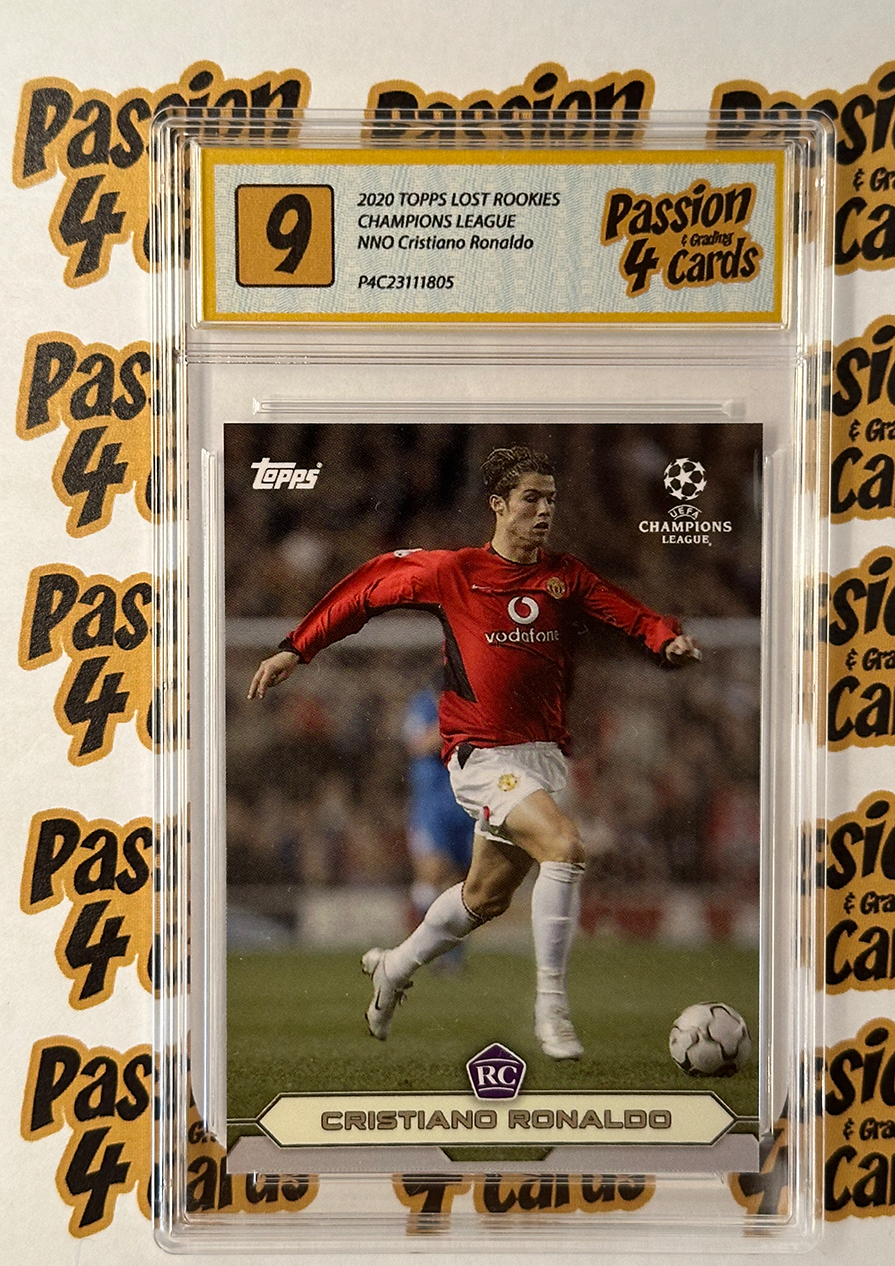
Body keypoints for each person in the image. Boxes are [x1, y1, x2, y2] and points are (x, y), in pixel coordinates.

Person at [248, 445, 700, 1059]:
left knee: (484, 897)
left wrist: (665, 638)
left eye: (551, 500)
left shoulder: (564, 576)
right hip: (482, 755)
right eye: (530, 499)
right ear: (499, 505)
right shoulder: (455, 572)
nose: (544, 511)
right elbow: (369, 585)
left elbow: (627, 613)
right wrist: (296, 647)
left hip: (541, 757)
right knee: (565, 847)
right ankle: (551, 1007)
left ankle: (395, 967)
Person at [401, 683, 473, 973]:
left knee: (462, 884)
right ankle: (418, 949)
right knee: (431, 874)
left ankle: (452, 957)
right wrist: (457, 725)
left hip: (466, 804)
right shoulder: (422, 705)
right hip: (431, 806)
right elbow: (418, 743)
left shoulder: (468, 701)